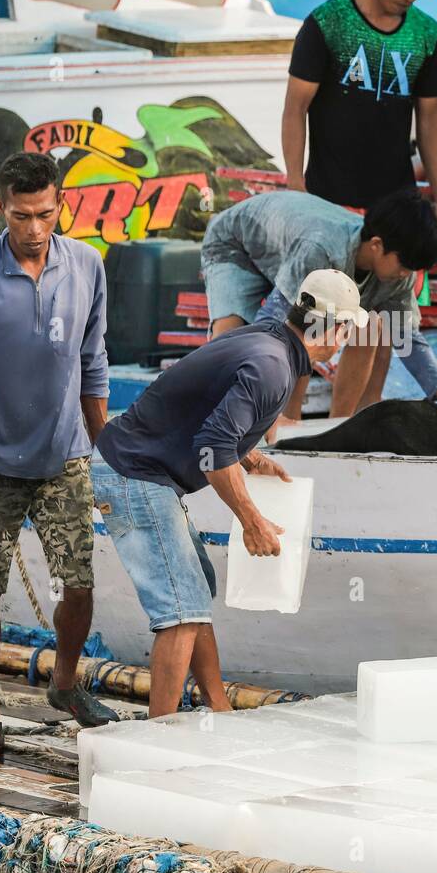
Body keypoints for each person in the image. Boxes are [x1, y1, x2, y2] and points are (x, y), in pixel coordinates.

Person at [92, 271, 364, 717]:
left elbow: (215, 415)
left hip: (137, 467)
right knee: (180, 609)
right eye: (346, 329)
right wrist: (251, 520)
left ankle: (217, 707)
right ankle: (159, 736)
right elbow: (213, 448)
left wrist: (250, 456)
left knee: (197, 587)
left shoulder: (270, 338)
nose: (344, 340)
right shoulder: (272, 366)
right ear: (331, 329)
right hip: (132, 473)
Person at [0, 152, 117, 762]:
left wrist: (106, 447)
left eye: (46, 213)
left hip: (64, 457)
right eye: (21, 215)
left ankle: (64, 683)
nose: (35, 228)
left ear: (61, 204)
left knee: (80, 584)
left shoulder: (86, 265)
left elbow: (94, 362)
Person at [200, 188, 437, 422]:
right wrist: (268, 414)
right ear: (377, 245)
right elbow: (271, 324)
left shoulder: (398, 271)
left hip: (290, 251)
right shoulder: (323, 250)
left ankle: (339, 425)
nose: (406, 275)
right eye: (404, 266)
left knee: (369, 326)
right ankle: (261, 426)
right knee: (240, 338)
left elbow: (405, 337)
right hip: (234, 244)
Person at [283, 0, 437, 243]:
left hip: (398, 205)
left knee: (397, 292)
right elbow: (295, 107)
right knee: (328, 292)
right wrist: (295, 183)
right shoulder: (327, 23)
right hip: (327, 199)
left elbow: (430, 117)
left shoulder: (427, 33)